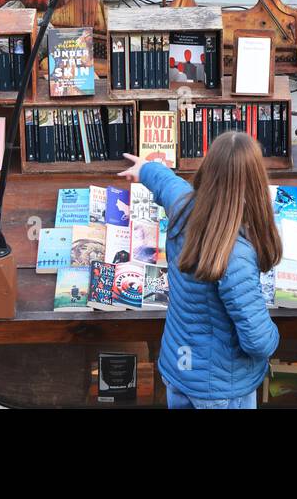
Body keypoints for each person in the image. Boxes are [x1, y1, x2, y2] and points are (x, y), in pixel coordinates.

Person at [119, 130, 282, 409]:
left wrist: (145, 168)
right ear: (255, 183)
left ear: (208, 169)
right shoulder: (236, 256)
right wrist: (274, 337)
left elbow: (167, 183)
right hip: (220, 387)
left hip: (180, 368)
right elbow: (257, 340)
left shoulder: (184, 206)